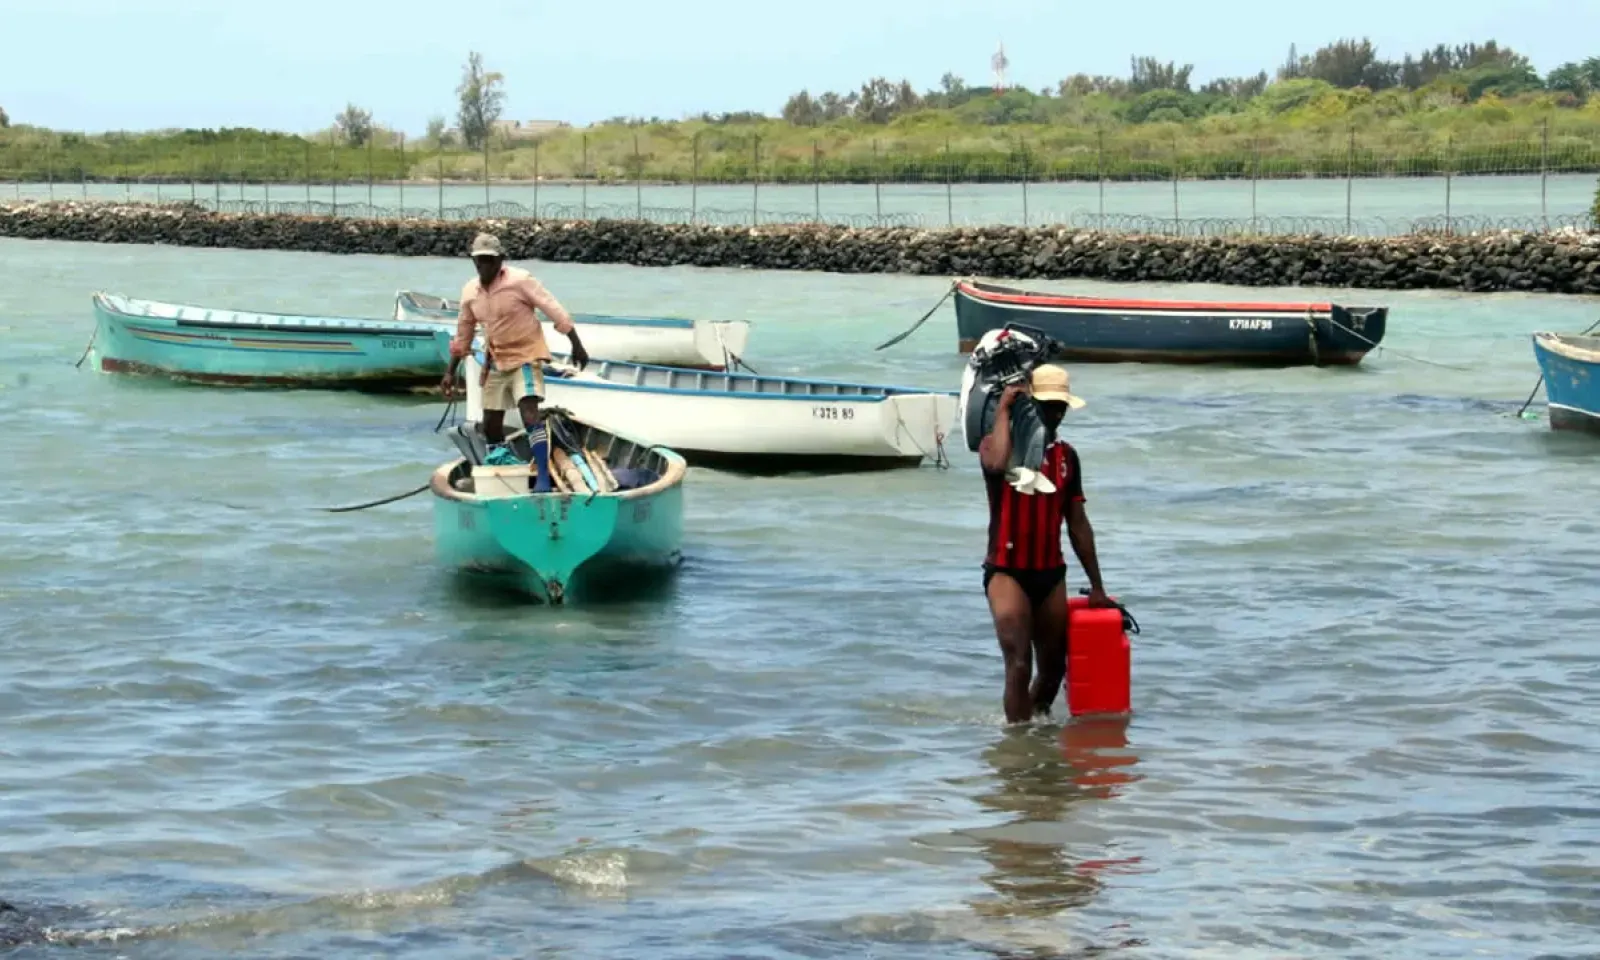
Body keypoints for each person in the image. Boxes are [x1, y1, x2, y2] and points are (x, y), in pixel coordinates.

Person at [977, 364, 1113, 724]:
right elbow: (996, 465)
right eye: (1047, 405)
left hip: (1050, 574)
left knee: (1052, 671)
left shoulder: (1067, 457)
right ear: (1029, 402)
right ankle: (1017, 753)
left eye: (1060, 406)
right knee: (1019, 664)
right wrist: (1005, 409)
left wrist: (1098, 585)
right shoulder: (997, 445)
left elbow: (1078, 524)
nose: (1055, 413)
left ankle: (1035, 743)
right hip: (1007, 573)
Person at [440, 232, 590, 447]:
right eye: (479, 260)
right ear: (474, 261)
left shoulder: (520, 281)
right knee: (491, 423)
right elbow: (464, 331)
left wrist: (576, 344)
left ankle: (543, 472)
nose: (484, 265)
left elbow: (553, 309)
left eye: (489, 260)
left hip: (525, 356)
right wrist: (450, 371)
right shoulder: (470, 291)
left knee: (529, 414)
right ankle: (500, 461)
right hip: (496, 360)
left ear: (500, 260)